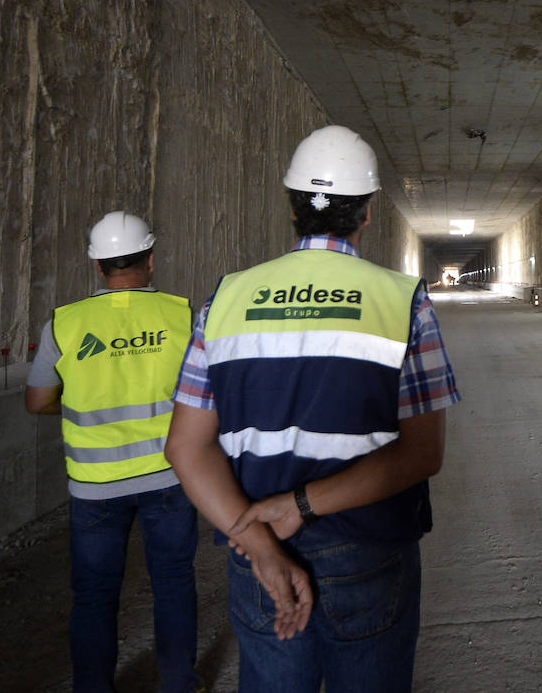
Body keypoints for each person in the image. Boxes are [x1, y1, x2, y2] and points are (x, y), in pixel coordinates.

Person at [165, 125, 460, 692]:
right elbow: (422, 452)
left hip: (260, 550)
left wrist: (258, 542)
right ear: (368, 213)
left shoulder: (224, 300)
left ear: (292, 205)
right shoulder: (402, 301)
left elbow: (185, 446)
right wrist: (301, 504)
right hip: (368, 547)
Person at [25, 211, 198, 693]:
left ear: (97, 267)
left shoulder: (64, 322)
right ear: (151, 259)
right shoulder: (181, 315)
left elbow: (37, 400)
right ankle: (179, 684)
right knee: (173, 585)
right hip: (168, 477)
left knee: (95, 596)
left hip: (94, 487)